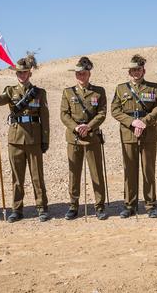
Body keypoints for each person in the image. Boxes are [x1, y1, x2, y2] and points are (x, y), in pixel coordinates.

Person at [0, 54, 50, 223]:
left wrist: (45, 140)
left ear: (29, 73)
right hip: (15, 139)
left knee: (37, 176)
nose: (21, 76)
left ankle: (42, 208)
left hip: (33, 138)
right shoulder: (10, 91)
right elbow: (0, 101)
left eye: (24, 72)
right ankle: (17, 209)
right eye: (19, 73)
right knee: (17, 177)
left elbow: (44, 117)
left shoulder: (39, 93)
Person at [110, 54, 157, 218]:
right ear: (129, 71)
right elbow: (115, 110)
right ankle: (130, 205)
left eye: (138, 69)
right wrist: (132, 122)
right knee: (130, 170)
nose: (136, 72)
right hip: (128, 133)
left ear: (143, 70)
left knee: (148, 169)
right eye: (133, 69)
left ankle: (150, 204)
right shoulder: (121, 89)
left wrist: (144, 121)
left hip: (148, 132)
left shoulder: (153, 87)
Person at [60, 57, 108, 220]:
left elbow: (102, 113)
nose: (80, 76)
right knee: (74, 173)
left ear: (89, 73)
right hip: (74, 138)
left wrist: (89, 126)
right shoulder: (68, 92)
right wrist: (76, 127)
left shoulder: (98, 91)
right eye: (78, 73)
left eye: (83, 73)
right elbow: (64, 114)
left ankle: (99, 206)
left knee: (96, 172)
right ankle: (73, 206)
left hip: (92, 136)